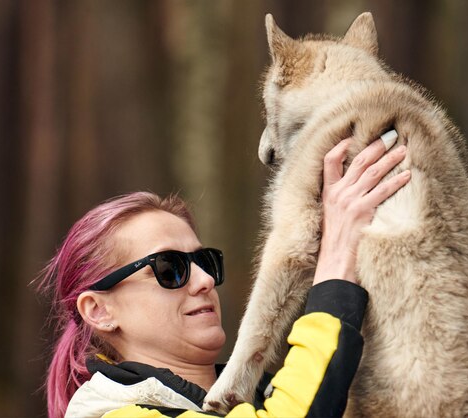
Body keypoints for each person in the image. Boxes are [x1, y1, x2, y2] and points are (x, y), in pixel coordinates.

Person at [39, 135, 410, 418]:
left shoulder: (259, 395)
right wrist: (336, 261)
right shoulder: (109, 413)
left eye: (204, 262)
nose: (204, 281)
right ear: (99, 310)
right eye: (170, 268)